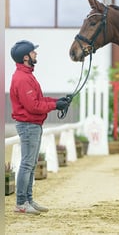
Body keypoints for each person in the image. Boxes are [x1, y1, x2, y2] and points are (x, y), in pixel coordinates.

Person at [9, 40, 70, 215]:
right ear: (26, 57)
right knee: (27, 164)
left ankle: (28, 200)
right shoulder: (22, 78)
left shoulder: (27, 75)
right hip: (29, 125)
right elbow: (33, 106)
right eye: (33, 52)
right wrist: (54, 106)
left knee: (31, 163)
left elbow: (38, 100)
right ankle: (21, 202)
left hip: (33, 125)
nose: (36, 54)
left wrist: (57, 102)